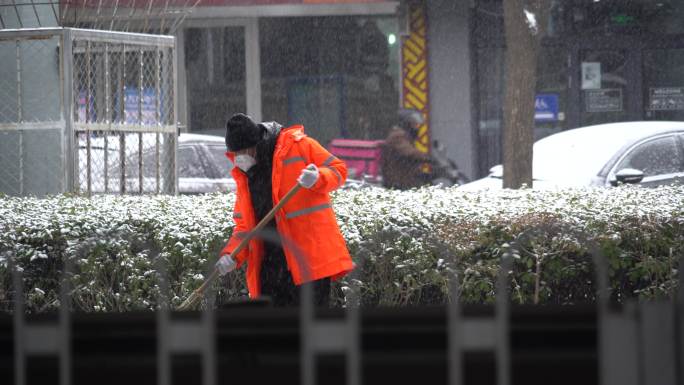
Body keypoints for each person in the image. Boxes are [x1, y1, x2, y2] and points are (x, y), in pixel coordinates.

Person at [215, 113, 354, 307]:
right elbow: (244, 226)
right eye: (234, 155)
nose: (239, 159)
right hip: (270, 266)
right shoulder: (245, 176)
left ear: (255, 145)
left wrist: (318, 178)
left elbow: (339, 169)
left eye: (242, 152)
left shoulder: (297, 145)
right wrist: (231, 256)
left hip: (307, 262)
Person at [381, 109, 432, 189]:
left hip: (405, 176)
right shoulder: (397, 136)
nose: (416, 127)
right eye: (414, 124)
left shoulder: (405, 136)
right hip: (398, 180)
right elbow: (410, 152)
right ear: (406, 123)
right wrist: (428, 158)